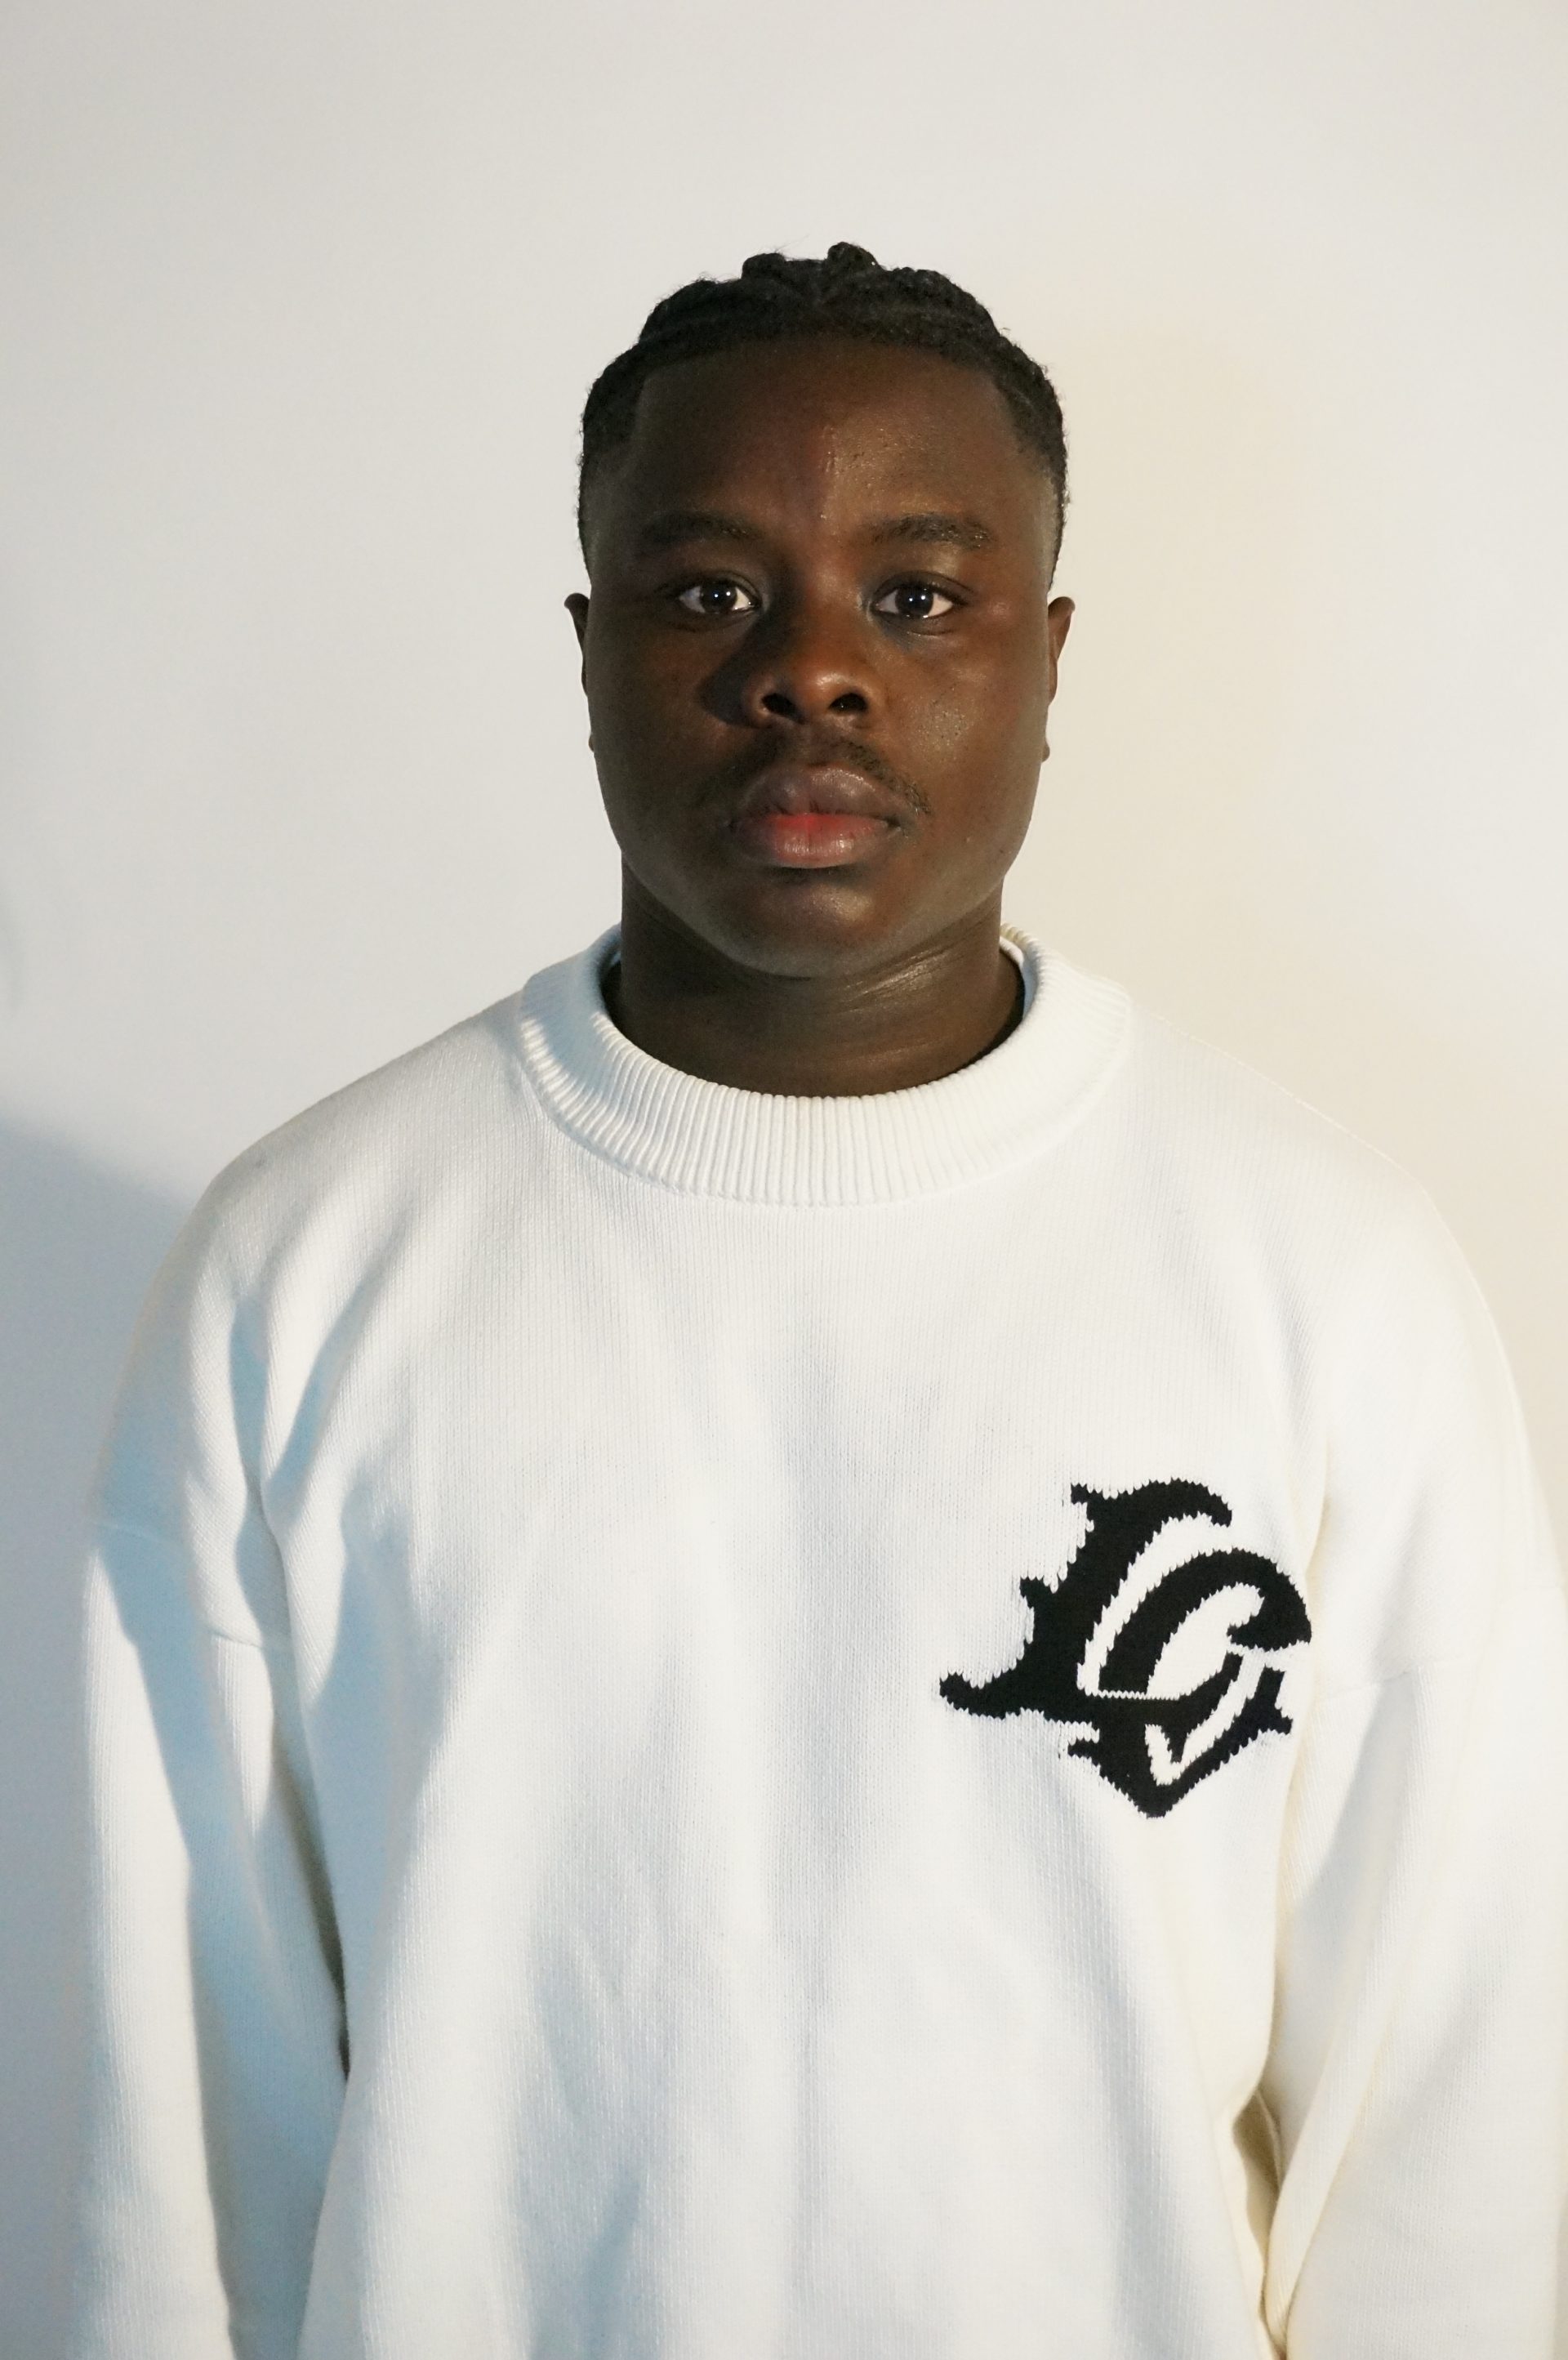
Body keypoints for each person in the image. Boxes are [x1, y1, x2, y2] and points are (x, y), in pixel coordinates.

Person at [69, 244, 1566, 2359]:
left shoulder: (1326, 1278)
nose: (814, 674)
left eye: (921, 596)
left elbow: (1452, 2113)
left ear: (1051, 658)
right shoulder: (302, 1270)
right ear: (589, 652)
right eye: (709, 592)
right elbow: (171, 2118)